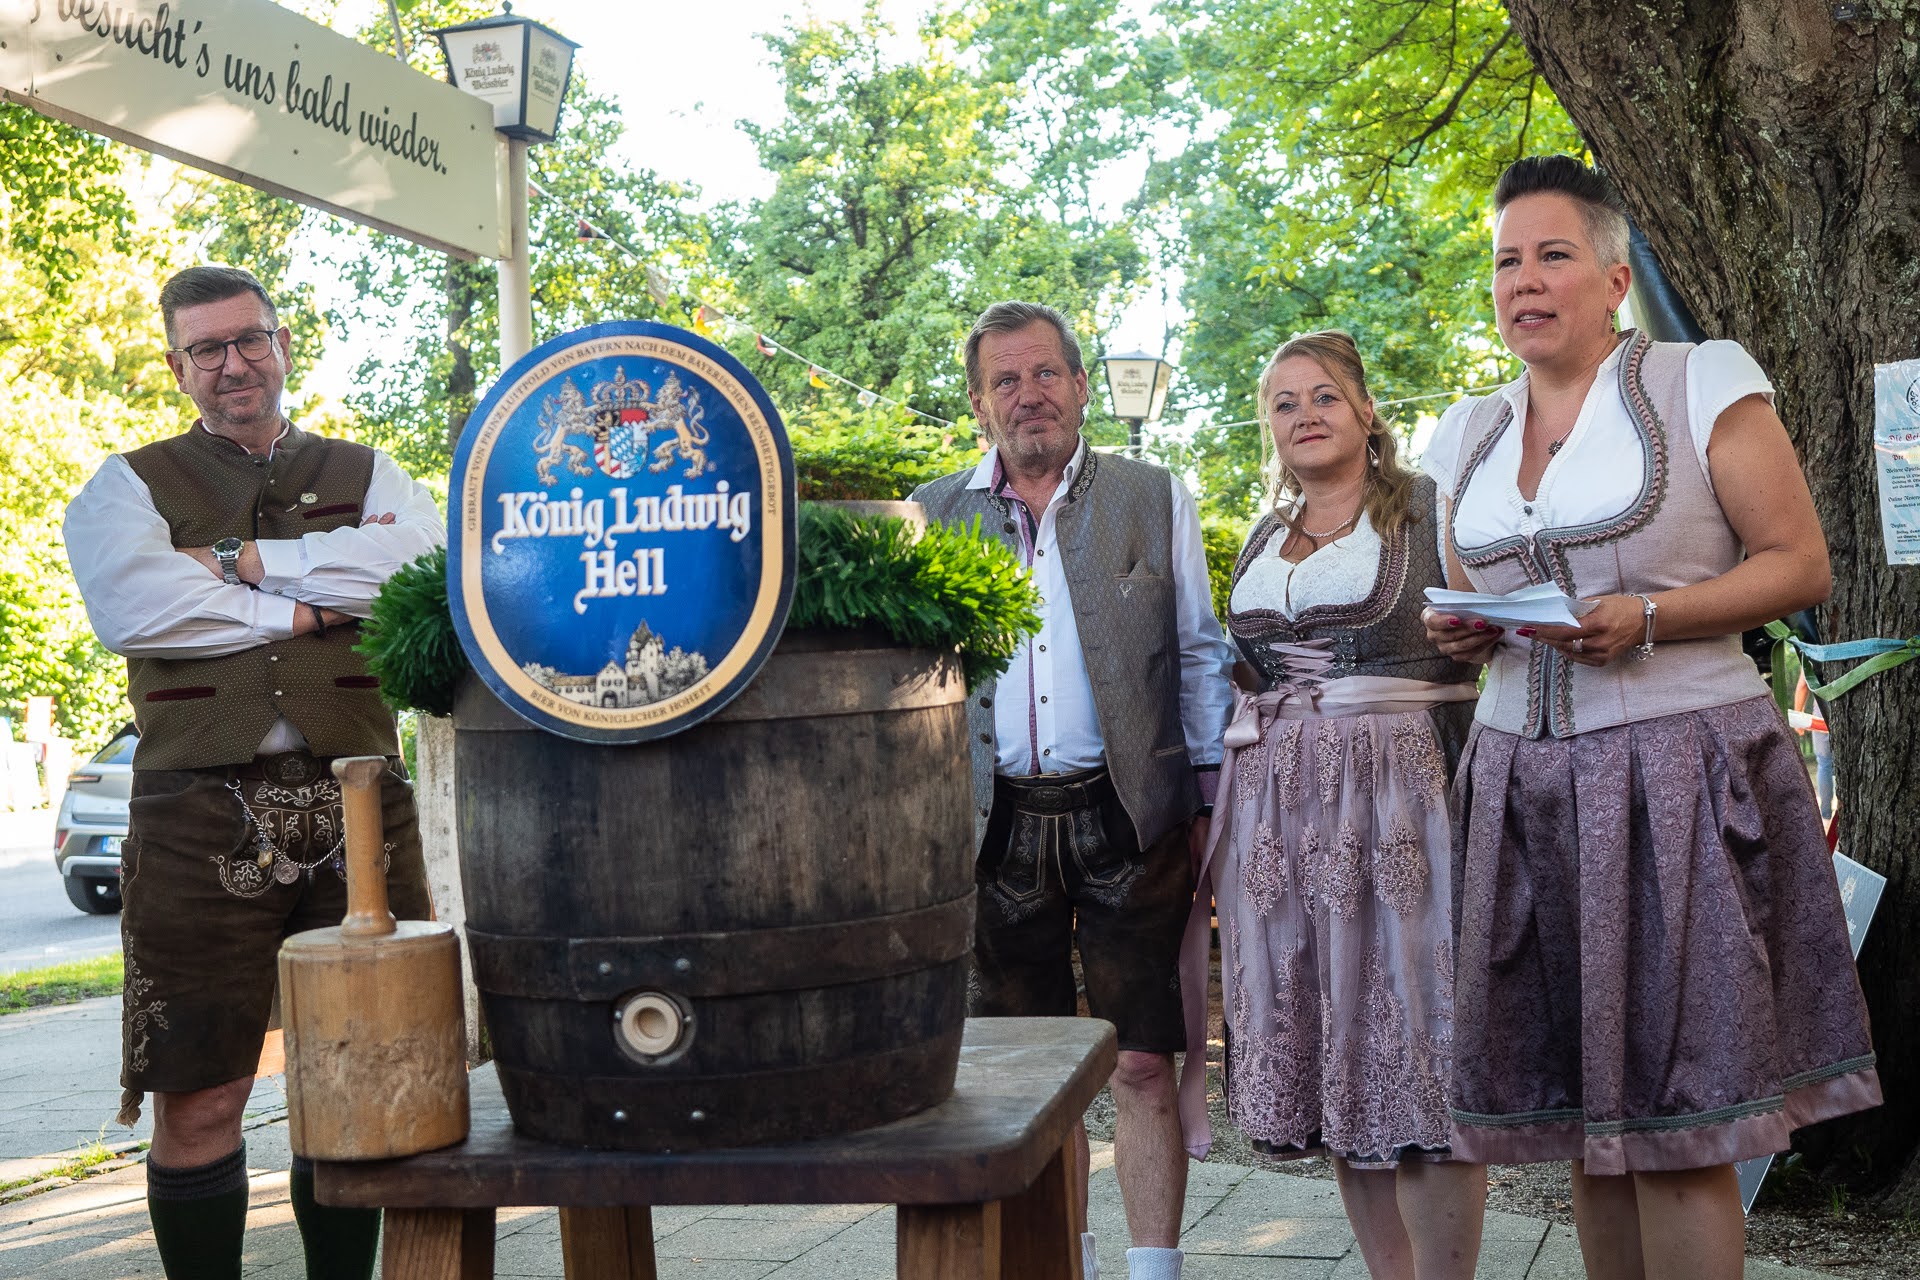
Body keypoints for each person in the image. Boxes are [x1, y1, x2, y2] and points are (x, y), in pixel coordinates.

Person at [1421, 156, 1880, 1280]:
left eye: (1553, 254)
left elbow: (1799, 560)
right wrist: (1467, 631)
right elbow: (1466, 591)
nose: (1523, 280)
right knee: (1589, 1122)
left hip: (1676, 775)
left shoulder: (1697, 378)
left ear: (1615, 275)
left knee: (1680, 1127)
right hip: (1521, 786)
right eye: (1505, 261)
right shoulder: (1466, 430)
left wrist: (1655, 615)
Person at [64, 265, 445, 1280]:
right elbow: (134, 608)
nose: (233, 363)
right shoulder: (128, 485)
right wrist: (321, 602)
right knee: (199, 1088)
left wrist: (237, 562)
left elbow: (423, 569)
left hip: (363, 799)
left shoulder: (372, 472)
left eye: (249, 339)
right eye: (207, 348)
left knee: (364, 1073)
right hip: (196, 811)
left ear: (281, 343)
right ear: (178, 365)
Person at [911, 300, 1235, 1280]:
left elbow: (1199, 652)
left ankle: (1153, 1268)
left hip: (1130, 816)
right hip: (993, 825)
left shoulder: (1151, 493)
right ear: (978, 402)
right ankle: (1064, 1262)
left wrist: (1211, 793)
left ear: (1081, 384)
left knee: (1141, 1060)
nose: (1029, 394)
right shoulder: (932, 511)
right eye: (1005, 380)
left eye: (1046, 373)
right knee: (1032, 1081)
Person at [1177, 331, 1485, 1279]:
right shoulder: (1266, 535)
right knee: (1331, 1049)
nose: (1304, 415)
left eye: (1323, 397)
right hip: (1282, 807)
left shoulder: (1432, 511)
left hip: (1402, 800)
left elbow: (1492, 638)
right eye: (1283, 402)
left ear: (1364, 412)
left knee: (1417, 1044)